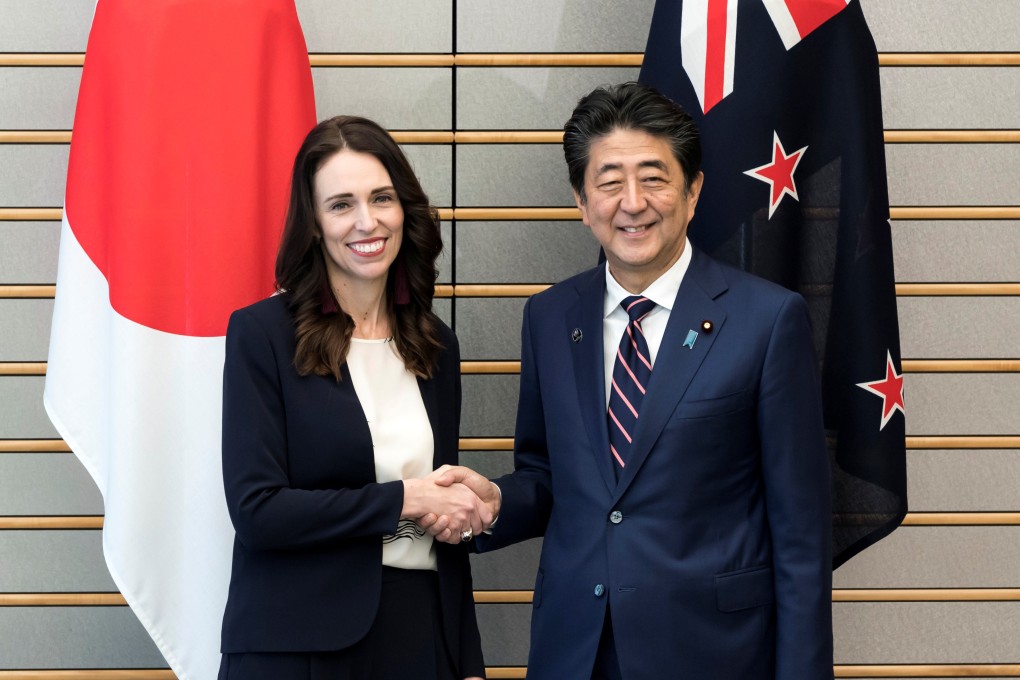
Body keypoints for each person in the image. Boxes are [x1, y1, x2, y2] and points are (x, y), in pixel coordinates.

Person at [425, 82, 833, 679]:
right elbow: (548, 474)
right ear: (581, 200)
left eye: (655, 177)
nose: (633, 202)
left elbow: (800, 535)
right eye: (610, 181)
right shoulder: (549, 316)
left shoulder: (768, 321)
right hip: (576, 651)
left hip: (713, 652)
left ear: (693, 192)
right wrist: (496, 505)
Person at [218, 115, 487, 680]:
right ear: (313, 224)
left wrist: (465, 659)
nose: (367, 221)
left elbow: (439, 520)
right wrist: (404, 500)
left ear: (403, 208)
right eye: (341, 204)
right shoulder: (262, 334)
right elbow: (258, 511)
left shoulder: (435, 344)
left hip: (420, 637)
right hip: (298, 647)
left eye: (381, 198)